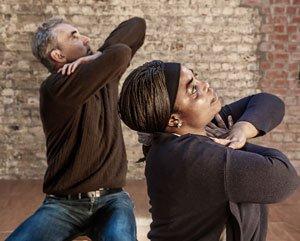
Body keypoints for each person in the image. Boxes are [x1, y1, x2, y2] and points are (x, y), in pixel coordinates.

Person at [118, 60, 299, 241]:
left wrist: (240, 129)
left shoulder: (188, 133)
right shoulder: (189, 156)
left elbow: (267, 102)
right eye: (192, 90)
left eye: (195, 78)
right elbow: (284, 178)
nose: (205, 85)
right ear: (173, 120)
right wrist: (236, 144)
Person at [6, 16, 146, 241]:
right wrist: (100, 57)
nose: (85, 38)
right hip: (63, 205)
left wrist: (95, 57)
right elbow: (120, 53)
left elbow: (137, 25)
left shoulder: (106, 74)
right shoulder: (55, 88)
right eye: (74, 36)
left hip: (112, 201)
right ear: (58, 56)